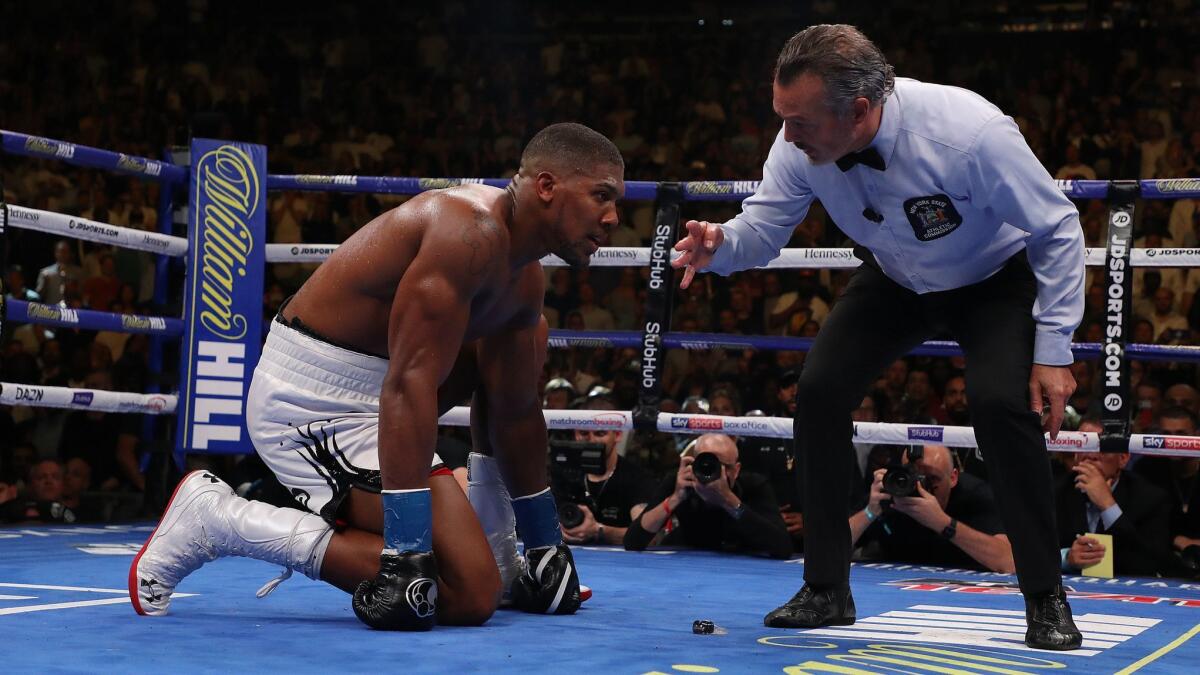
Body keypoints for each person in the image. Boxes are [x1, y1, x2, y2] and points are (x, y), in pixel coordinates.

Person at [671, 25, 1085, 649]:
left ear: (860, 110)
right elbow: (764, 225)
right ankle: (826, 588)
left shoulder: (968, 133)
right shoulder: (800, 142)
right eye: (782, 117)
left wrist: (1054, 350)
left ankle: (1046, 597)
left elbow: (1057, 226)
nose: (786, 134)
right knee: (818, 390)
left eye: (799, 120)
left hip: (992, 280)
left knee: (1002, 406)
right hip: (894, 277)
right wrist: (721, 245)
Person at [131, 123, 625, 631]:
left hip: (385, 393)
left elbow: (518, 410)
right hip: (315, 404)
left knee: (525, 338)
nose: (613, 218)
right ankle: (222, 520)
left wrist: (546, 543)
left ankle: (506, 557)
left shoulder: (523, 278)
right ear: (546, 187)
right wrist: (406, 553)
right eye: (601, 196)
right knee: (468, 595)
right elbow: (409, 384)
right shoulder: (468, 232)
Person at [624, 433, 793, 559]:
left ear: (736, 470)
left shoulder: (754, 486)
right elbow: (632, 541)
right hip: (689, 559)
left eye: (723, 466)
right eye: (706, 463)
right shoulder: (681, 482)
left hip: (742, 563)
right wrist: (676, 497)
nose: (713, 472)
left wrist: (729, 501)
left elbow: (783, 547)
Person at [852, 444, 1014, 573]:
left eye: (932, 478)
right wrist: (870, 512)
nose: (922, 487)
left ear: (953, 477)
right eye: (914, 478)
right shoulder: (891, 492)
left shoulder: (976, 496)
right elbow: (830, 551)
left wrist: (943, 523)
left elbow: (1008, 561)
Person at [1055, 421, 1172, 577]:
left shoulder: (1150, 498)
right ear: (1076, 454)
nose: (1091, 455)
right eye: (1084, 445)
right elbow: (1033, 549)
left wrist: (1108, 505)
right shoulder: (1055, 492)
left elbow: (1152, 563)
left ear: (1123, 458)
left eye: (1102, 447)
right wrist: (1066, 558)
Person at [558, 400, 656, 546]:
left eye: (600, 433)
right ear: (575, 434)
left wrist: (599, 531)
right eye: (584, 433)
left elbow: (648, 537)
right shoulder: (563, 475)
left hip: (621, 564)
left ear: (617, 434)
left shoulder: (637, 478)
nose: (591, 441)